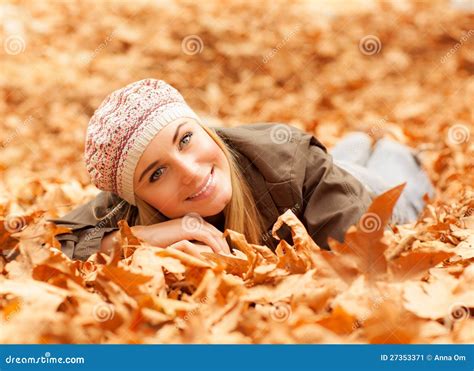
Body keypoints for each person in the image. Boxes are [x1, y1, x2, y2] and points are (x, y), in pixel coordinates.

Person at [49, 79, 434, 261]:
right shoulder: (124, 209)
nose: (188, 172)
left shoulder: (289, 160)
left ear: (205, 129)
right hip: (325, 173)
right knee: (349, 150)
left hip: (364, 191)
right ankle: (354, 144)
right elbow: (38, 246)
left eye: (184, 140)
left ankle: (390, 148)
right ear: (136, 197)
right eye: (156, 174)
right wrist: (153, 234)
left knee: (393, 163)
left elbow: (367, 257)